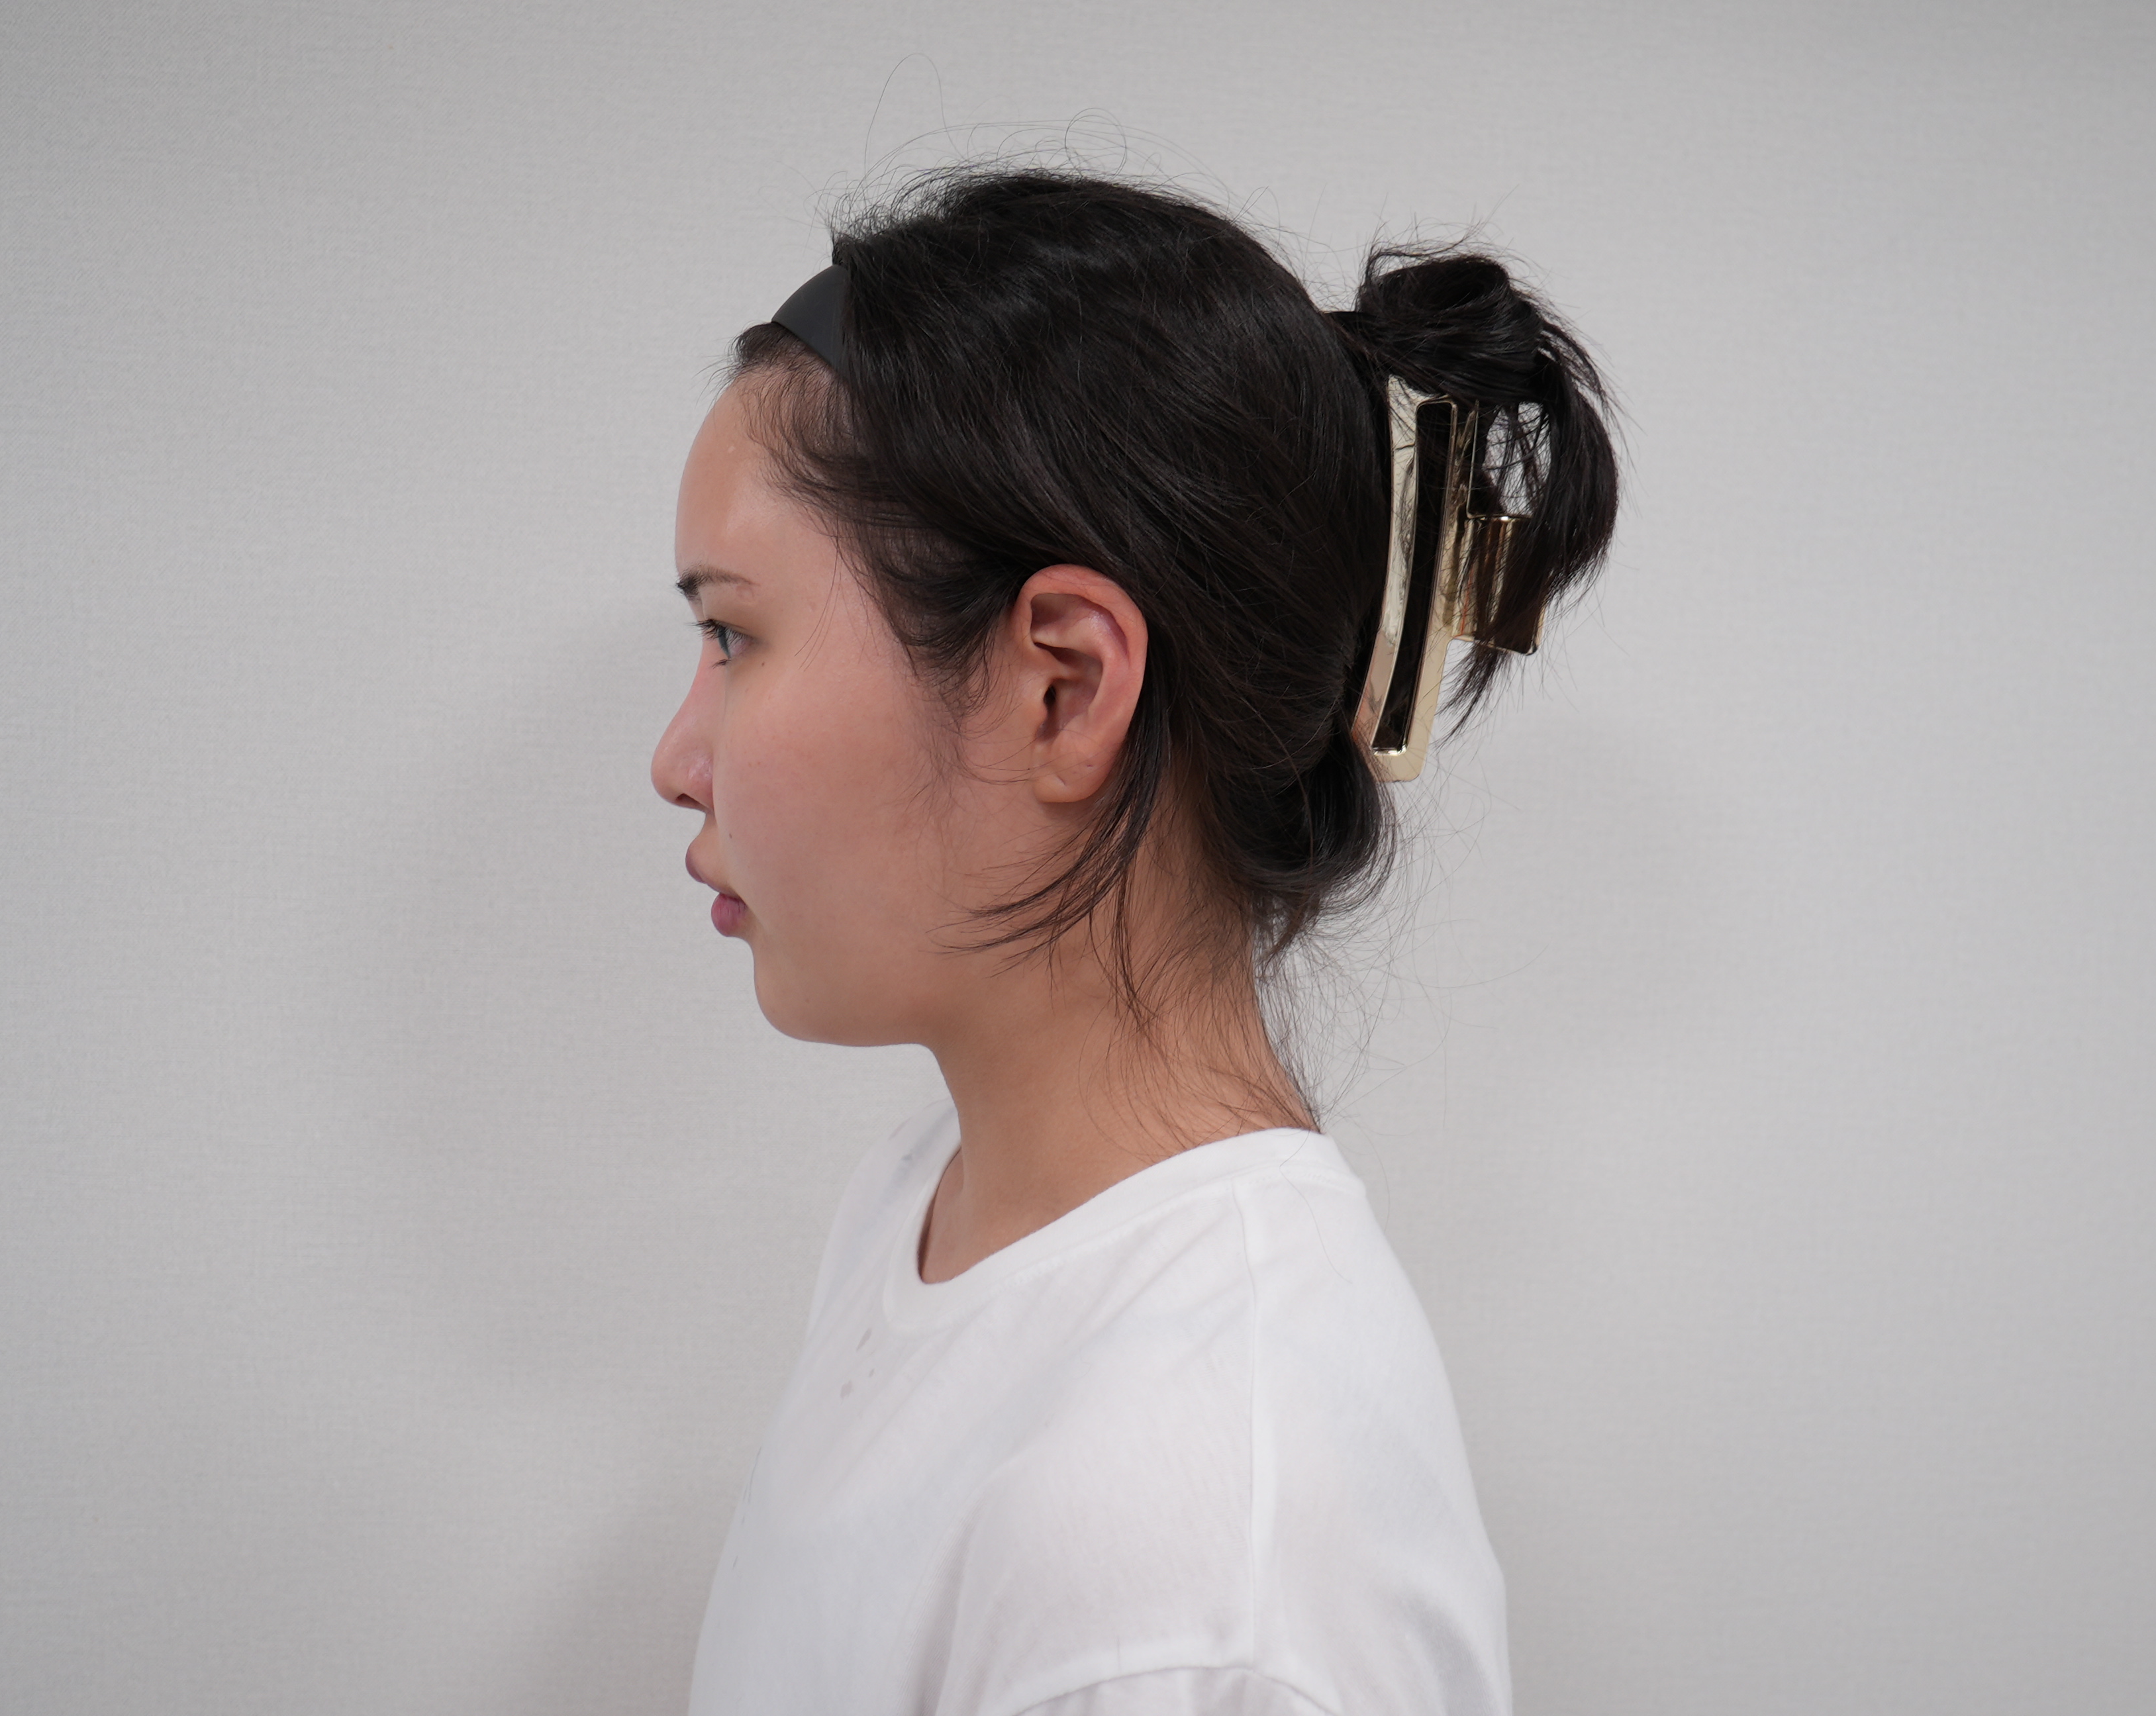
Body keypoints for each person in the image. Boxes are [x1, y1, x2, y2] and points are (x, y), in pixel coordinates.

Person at [650, 165, 1618, 1716]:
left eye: (731, 635)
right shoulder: (928, 1206)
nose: (676, 759)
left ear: (1065, 686)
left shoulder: (1188, 1557)